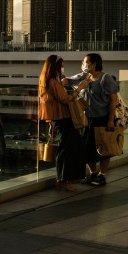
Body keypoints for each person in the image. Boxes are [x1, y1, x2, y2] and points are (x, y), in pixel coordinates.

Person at [64, 52, 120, 186]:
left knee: (104, 148)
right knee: (87, 148)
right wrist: (62, 81)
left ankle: (102, 175)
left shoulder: (106, 79)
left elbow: (113, 101)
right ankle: (93, 173)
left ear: (94, 64)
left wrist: (110, 120)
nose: (84, 65)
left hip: (103, 117)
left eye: (86, 62)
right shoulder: (84, 77)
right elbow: (67, 80)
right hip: (87, 118)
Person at [39, 55, 89, 191]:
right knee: (66, 148)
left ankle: (74, 176)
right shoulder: (53, 82)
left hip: (62, 118)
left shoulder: (48, 80)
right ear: (56, 66)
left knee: (76, 144)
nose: (63, 68)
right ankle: (63, 179)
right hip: (62, 118)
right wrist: (80, 88)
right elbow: (65, 99)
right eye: (61, 65)